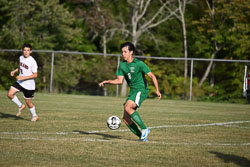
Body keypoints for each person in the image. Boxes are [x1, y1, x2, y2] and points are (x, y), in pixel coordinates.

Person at [99, 42, 162, 142]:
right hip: (133, 91)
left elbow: (152, 76)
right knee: (125, 119)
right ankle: (142, 137)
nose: (123, 54)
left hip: (141, 89)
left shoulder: (139, 64)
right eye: (122, 52)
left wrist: (157, 90)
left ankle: (145, 129)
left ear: (131, 52)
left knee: (128, 107)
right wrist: (107, 81)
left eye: (125, 52)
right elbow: (119, 81)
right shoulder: (122, 65)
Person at [7, 43, 39, 122]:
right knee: (10, 94)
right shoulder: (21, 57)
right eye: (24, 50)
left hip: (29, 85)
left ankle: (35, 116)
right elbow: (20, 67)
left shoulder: (32, 61)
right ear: (22, 51)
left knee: (28, 102)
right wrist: (14, 71)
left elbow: (35, 75)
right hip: (20, 82)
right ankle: (20, 106)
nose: (26, 52)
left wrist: (23, 77)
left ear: (31, 51)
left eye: (28, 50)